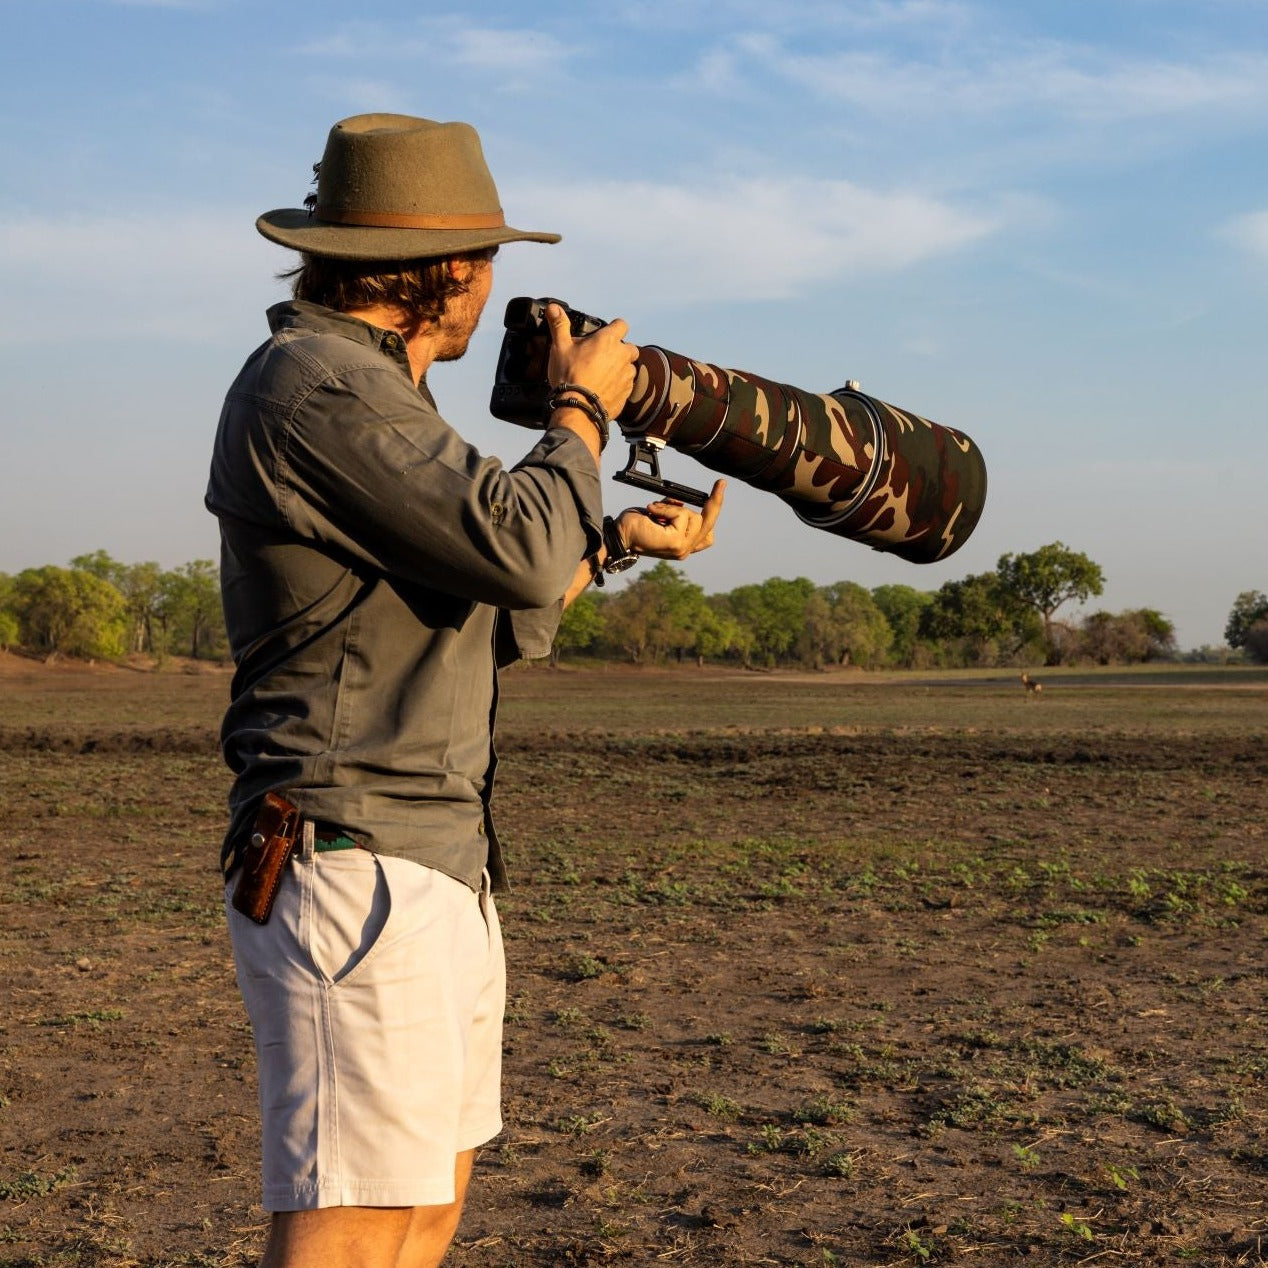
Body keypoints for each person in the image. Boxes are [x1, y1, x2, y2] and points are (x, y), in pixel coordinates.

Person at [206, 113, 725, 1268]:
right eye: (489, 259)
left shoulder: (381, 398)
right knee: (349, 1222)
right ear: (448, 270)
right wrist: (581, 407)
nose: (495, 287)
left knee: (422, 1205)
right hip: (351, 852)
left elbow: (501, 605)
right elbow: (521, 547)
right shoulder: (316, 388)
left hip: (430, 853)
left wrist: (621, 537)